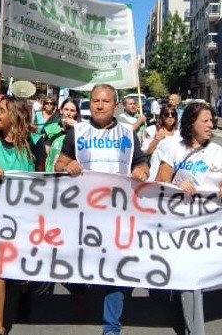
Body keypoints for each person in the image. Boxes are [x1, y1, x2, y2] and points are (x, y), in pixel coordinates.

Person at [54, 84, 149, 335]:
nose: (98, 105)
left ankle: (111, 326)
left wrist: (142, 171)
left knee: (113, 271)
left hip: (117, 213)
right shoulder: (78, 132)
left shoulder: (128, 133)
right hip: (83, 213)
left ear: (115, 106)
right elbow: (58, 163)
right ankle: (79, 292)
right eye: (95, 100)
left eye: (105, 101)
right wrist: (68, 165)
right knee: (79, 266)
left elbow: (141, 163)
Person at [155, 102, 222, 335]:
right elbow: (159, 184)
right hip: (183, 223)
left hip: (211, 223)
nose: (211, 125)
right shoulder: (175, 150)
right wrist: (177, 186)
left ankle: (179, 302)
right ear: (191, 124)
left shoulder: (218, 152)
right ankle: (194, 329)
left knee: (198, 276)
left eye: (212, 121)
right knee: (192, 280)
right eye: (206, 121)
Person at [0, 95, 46, 335]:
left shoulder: (36, 142)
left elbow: (42, 181)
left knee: (21, 270)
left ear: (15, 116)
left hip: (24, 218)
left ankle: (25, 292)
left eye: (1, 111)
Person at [144, 103, 182, 178]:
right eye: (167, 114)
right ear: (162, 116)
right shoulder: (153, 130)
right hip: (155, 175)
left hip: (173, 175)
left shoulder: (180, 134)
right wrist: (157, 139)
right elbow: (145, 152)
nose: (170, 116)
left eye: (173, 114)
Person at [44, 98, 80, 172]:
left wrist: (78, 127)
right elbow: (46, 156)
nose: (68, 113)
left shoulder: (80, 130)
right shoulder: (51, 129)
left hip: (70, 174)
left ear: (76, 113)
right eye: (66, 109)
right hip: (51, 173)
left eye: (72, 110)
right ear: (61, 111)